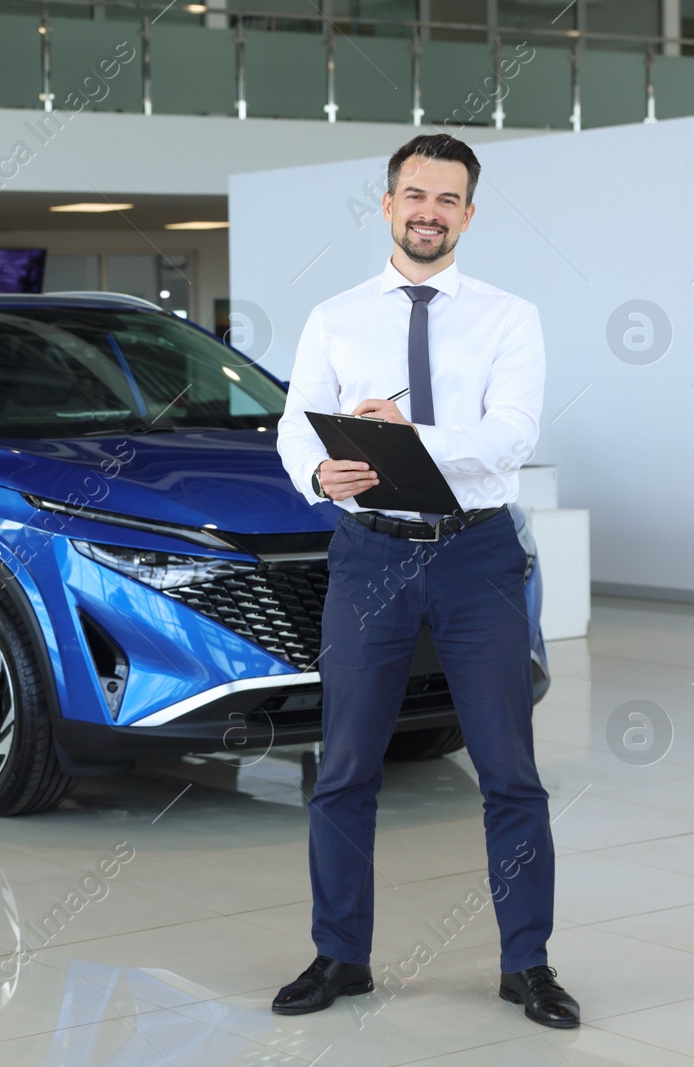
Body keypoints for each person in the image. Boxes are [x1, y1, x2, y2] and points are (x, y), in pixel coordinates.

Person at [272, 133, 578, 1029]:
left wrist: (401, 434)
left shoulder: (509, 316)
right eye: (415, 194)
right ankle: (340, 954)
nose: (429, 212)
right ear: (388, 204)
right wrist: (318, 474)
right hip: (370, 552)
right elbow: (298, 426)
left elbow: (510, 435)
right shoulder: (335, 316)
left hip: (477, 552)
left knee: (509, 771)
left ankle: (528, 963)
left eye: (447, 199)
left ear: (469, 214)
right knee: (345, 767)